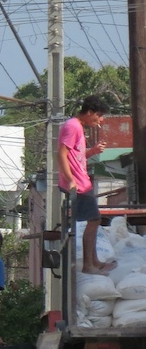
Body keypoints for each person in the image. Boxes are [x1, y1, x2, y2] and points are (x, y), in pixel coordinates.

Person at [57, 95, 115, 274]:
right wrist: (70, 180)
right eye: (99, 115)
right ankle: (89, 265)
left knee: (94, 220)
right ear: (89, 112)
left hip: (82, 182)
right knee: (94, 220)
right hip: (78, 185)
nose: (101, 119)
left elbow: (76, 157)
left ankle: (94, 262)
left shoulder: (78, 127)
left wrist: (93, 151)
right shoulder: (72, 126)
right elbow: (61, 154)